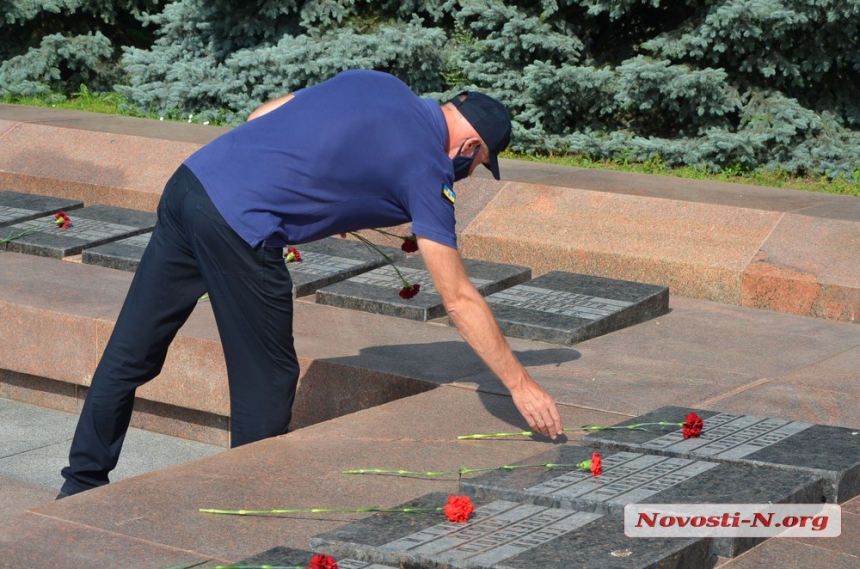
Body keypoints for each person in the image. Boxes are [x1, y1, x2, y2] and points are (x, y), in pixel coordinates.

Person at [58, 69, 563, 498]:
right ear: (471, 145)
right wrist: (521, 386)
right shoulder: (428, 168)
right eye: (477, 165)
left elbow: (264, 115)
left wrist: (321, 188)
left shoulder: (380, 83)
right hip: (242, 226)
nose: (469, 173)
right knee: (269, 380)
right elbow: (457, 297)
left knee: (131, 353)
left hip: (192, 183)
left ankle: (80, 485)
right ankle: (249, 513)